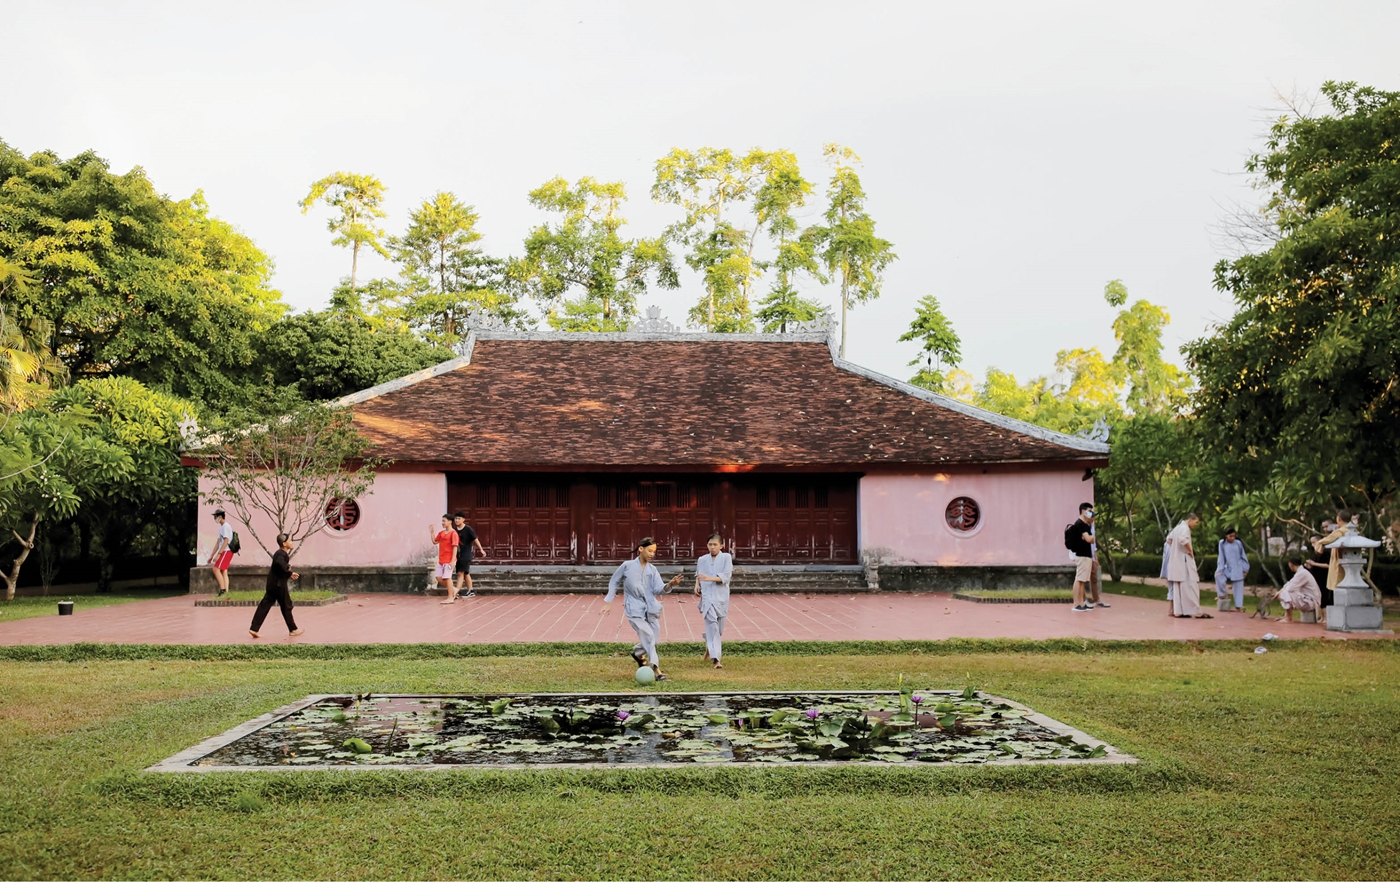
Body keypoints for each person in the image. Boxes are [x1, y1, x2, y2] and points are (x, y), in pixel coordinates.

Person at [602, 537, 683, 681]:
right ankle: (657, 671)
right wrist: (609, 601)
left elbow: (659, 589)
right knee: (649, 636)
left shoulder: (652, 570)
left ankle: (637, 653)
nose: (652, 554)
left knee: (654, 640)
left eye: (654, 552)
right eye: (650, 550)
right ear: (641, 549)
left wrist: (670, 584)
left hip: (651, 609)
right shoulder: (627, 566)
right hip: (634, 609)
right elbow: (614, 580)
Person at [249, 533, 303, 638]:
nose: (291, 542)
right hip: (278, 585)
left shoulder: (279, 553)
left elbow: (278, 569)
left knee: (264, 605)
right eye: (290, 541)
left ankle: (254, 628)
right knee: (286, 606)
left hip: (272, 584)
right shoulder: (281, 553)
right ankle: (293, 629)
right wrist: (288, 567)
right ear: (284, 543)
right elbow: (279, 563)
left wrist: (290, 574)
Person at [694, 532, 733, 669]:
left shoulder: (726, 558)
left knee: (719, 630)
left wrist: (708, 578)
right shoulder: (702, 559)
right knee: (712, 626)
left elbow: (726, 577)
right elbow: (698, 575)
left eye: (715, 544)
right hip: (708, 599)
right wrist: (697, 585)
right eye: (710, 544)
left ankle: (708, 647)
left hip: (721, 598)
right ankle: (716, 659)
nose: (712, 547)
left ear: (721, 546)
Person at [1166, 513, 1212, 619]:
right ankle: (1196, 611)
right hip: (1184, 561)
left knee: (1179, 587)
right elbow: (1183, 540)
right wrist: (1189, 550)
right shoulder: (1184, 528)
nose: (1196, 524)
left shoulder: (1177, 528)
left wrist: (1176, 550)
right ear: (1190, 520)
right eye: (1196, 522)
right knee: (1191, 586)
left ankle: (1179, 611)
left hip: (1177, 562)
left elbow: (1169, 539)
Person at [1270, 554, 1322, 624]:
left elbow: (1289, 588)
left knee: (1284, 593)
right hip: (1309, 599)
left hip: (1311, 602)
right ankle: (1287, 616)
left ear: (1290, 564)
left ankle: (1289, 618)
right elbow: (1289, 583)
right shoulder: (1301, 572)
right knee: (1284, 592)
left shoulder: (1302, 573)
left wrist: (1278, 593)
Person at [1065, 503, 1096, 612]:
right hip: (1082, 555)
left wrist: (1090, 537)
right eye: (1089, 511)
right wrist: (1091, 538)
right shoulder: (1080, 524)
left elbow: (1088, 538)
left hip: (1085, 555)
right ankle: (1076, 603)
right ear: (1083, 511)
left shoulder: (1085, 524)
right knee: (1079, 579)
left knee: (1083, 580)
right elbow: (1089, 539)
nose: (1091, 514)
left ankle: (1081, 602)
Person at [1214, 528, 1251, 612]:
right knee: (1218, 575)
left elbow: (1243, 556)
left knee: (1238, 586)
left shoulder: (1238, 543)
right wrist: (1220, 568)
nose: (1232, 538)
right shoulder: (1222, 543)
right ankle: (1222, 594)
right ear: (1226, 536)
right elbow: (1221, 557)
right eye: (1230, 536)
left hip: (1238, 567)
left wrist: (1245, 569)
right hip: (1227, 567)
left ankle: (1238, 607)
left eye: (1234, 536)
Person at [452, 511, 486, 600]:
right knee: (466, 573)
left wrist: (481, 549)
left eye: (459, 518)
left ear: (463, 519)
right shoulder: (454, 530)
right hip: (458, 554)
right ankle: (471, 591)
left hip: (466, 554)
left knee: (460, 573)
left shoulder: (468, 529)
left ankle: (455, 593)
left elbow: (475, 539)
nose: (456, 520)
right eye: (455, 518)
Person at [430, 515, 460, 604]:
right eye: (442, 521)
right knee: (438, 577)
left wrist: (452, 560)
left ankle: (450, 597)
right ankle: (453, 589)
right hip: (441, 559)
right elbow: (435, 541)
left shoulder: (453, 533)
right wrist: (432, 532)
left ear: (450, 522)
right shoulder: (441, 533)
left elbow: (455, 547)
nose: (442, 523)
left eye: (444, 521)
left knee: (447, 578)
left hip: (449, 559)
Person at [207, 510, 234, 597]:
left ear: (220, 517)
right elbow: (218, 542)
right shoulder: (221, 528)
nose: (215, 519)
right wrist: (211, 556)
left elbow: (226, 541)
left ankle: (222, 590)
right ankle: (226, 592)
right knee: (224, 571)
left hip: (226, 551)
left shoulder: (226, 526)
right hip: (224, 551)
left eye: (216, 517)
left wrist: (219, 554)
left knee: (216, 569)